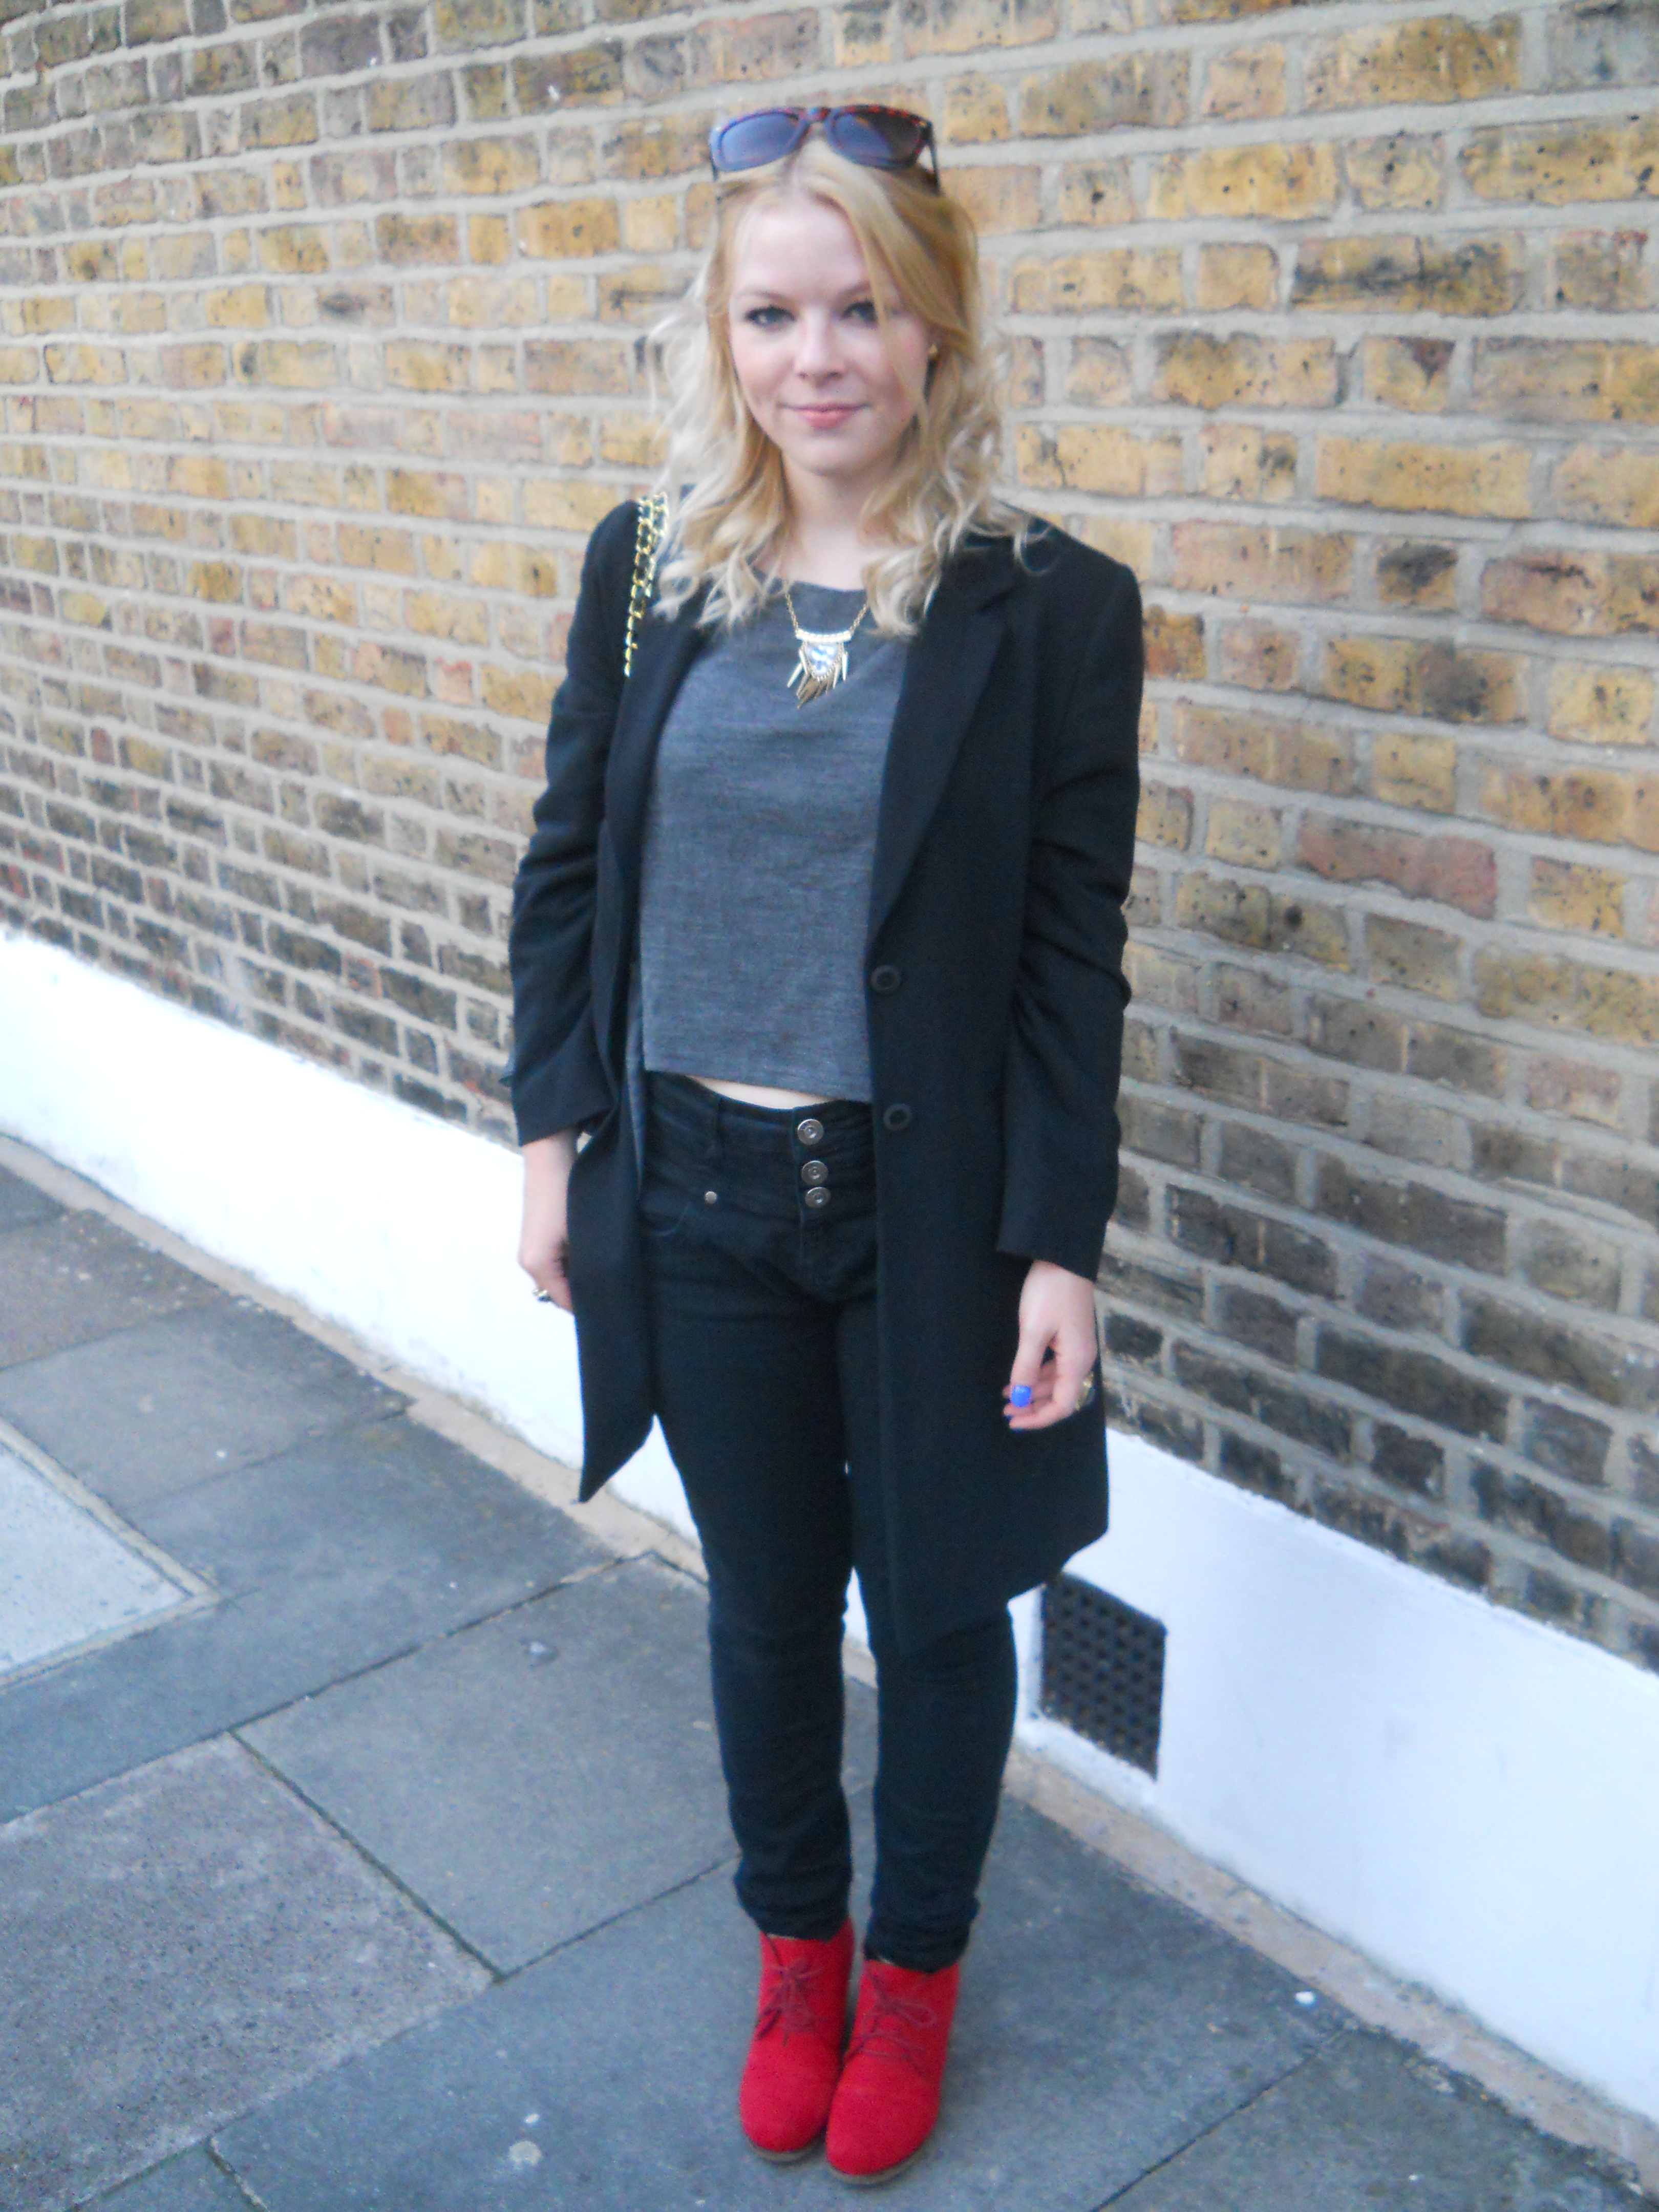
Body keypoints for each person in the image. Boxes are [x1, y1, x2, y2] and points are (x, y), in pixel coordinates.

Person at [509, 102, 1143, 2186]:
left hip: (924, 1213)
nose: (819, 356)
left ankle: (919, 1967)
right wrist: (554, 1141)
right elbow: (570, 873)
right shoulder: (646, 575)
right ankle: (800, 1950)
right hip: (693, 1194)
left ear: (936, 325)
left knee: (940, 1610)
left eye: (863, 307)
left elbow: (1068, 955)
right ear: (725, 337)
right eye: (773, 314)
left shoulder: (1051, 609)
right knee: (768, 1608)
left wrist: (1059, 1245)